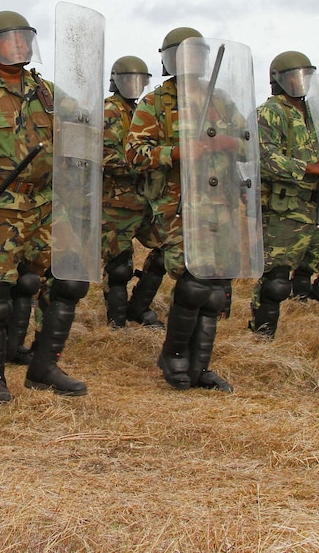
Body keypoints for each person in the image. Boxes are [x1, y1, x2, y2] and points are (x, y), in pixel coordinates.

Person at [0, 10, 90, 403]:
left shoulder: (48, 91)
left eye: (24, 38)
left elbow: (80, 132)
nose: (19, 45)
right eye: (9, 39)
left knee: (69, 280)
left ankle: (44, 367)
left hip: (47, 203)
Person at [126, 27, 241, 392]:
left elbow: (247, 138)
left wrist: (228, 143)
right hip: (178, 205)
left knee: (216, 286)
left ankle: (200, 366)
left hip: (219, 203)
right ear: (172, 59)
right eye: (187, 53)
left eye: (199, 53)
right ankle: (174, 355)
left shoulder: (220, 100)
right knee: (192, 284)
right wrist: (178, 152)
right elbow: (134, 153)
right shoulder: (156, 103)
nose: (195, 60)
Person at [248, 51, 319, 361]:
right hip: (284, 212)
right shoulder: (268, 113)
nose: (300, 82)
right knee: (276, 283)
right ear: (279, 80)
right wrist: (309, 168)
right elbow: (262, 159)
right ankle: (259, 350)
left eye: (305, 75)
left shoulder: (317, 113)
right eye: (295, 76)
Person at [100, 55, 165, 329]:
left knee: (166, 251)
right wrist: (143, 164)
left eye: (140, 81)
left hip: (147, 201)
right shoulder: (108, 112)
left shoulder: (143, 112)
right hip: (117, 203)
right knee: (119, 266)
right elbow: (103, 157)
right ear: (116, 81)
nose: (134, 85)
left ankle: (139, 307)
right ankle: (117, 321)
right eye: (128, 80)